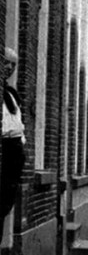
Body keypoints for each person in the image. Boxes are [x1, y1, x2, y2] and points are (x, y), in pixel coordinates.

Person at [1, 48, 24, 246]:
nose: (9, 67)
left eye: (13, 64)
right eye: (6, 62)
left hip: (13, 155)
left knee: (4, 206)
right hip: (4, 148)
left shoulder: (11, 93)